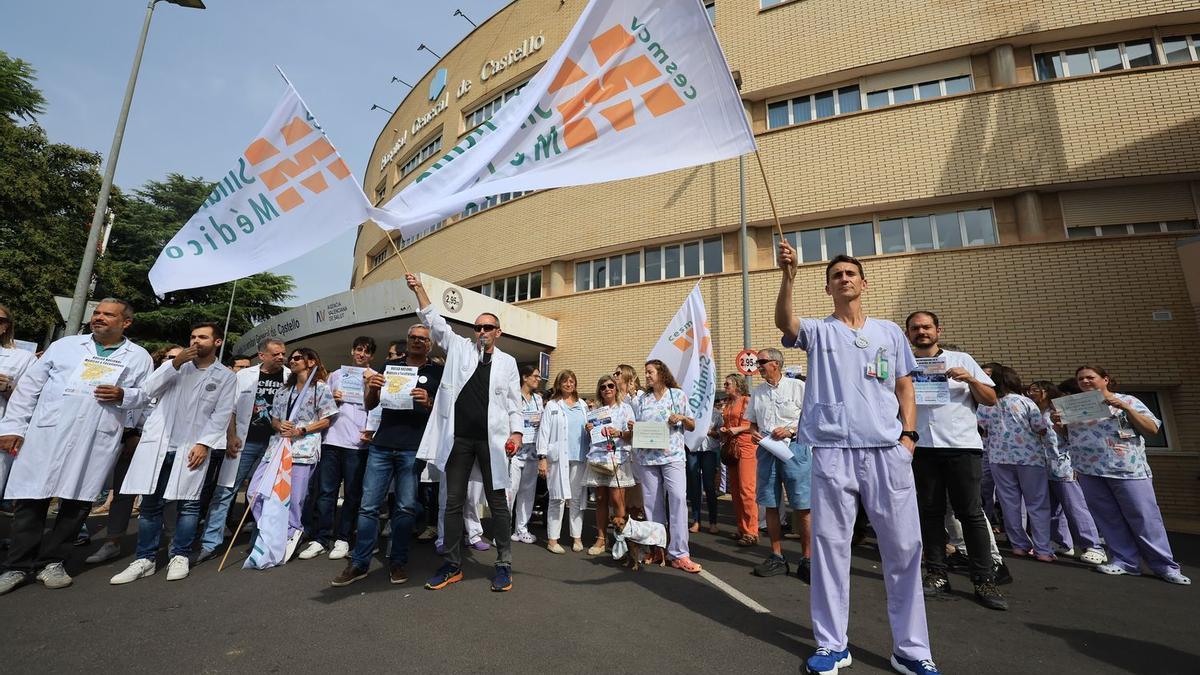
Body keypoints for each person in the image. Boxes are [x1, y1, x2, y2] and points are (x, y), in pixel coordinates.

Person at [775, 246, 940, 675]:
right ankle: (832, 645)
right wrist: (788, 277)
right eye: (836, 275)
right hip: (833, 451)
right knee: (830, 548)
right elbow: (785, 323)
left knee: (904, 549)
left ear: (863, 283)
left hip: (888, 452)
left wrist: (909, 436)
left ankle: (911, 649)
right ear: (828, 286)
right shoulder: (818, 330)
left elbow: (905, 385)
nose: (844, 278)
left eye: (851, 273)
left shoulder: (889, 332)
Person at [0, 299, 152, 595]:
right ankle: (17, 566)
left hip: (95, 438)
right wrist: (13, 427)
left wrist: (124, 395)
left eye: (108, 315)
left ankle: (53, 562)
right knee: (31, 499)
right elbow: (30, 388)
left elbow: (146, 397)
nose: (99, 318)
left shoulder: (138, 357)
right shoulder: (66, 345)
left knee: (77, 501)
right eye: (97, 313)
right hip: (48, 432)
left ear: (126, 323)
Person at [405, 273, 522, 593]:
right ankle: (453, 564)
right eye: (478, 327)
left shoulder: (508, 363)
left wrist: (517, 434)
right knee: (453, 501)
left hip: (492, 441)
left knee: (498, 502)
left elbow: (515, 404)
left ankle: (504, 564)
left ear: (497, 332)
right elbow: (435, 322)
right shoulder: (459, 348)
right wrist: (419, 289)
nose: (481, 331)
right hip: (458, 440)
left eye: (487, 327)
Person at [109, 323, 237, 584]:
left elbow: (221, 414)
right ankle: (144, 559)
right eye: (192, 336)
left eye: (203, 337)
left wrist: (204, 444)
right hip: (159, 445)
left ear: (217, 342)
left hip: (191, 448)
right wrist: (173, 364)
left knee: (189, 504)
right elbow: (147, 391)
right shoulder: (175, 368)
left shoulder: (225, 376)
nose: (196, 341)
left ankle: (180, 554)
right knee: (150, 505)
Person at [903, 311, 1007, 610]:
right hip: (922, 447)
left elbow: (990, 398)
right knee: (930, 512)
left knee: (970, 513)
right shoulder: (904, 364)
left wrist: (971, 378)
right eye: (915, 328)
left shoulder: (961, 359)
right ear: (907, 333)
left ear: (938, 330)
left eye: (926, 327)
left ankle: (984, 578)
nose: (921, 332)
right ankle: (936, 573)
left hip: (961, 446)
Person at [1055, 366, 1189, 584]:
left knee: (1144, 517)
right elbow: (1069, 438)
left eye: (1091, 377)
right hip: (1090, 470)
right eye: (1081, 379)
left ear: (1105, 379)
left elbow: (1152, 429)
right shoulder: (1076, 406)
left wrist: (1127, 409)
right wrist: (1058, 425)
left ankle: (1165, 565)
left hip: (1127, 469)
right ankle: (1124, 561)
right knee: (1107, 517)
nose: (1085, 382)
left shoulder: (1127, 400)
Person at [332, 325, 443, 586]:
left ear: (430, 345)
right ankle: (359, 562)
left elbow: (443, 411)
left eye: (422, 339)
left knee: (404, 507)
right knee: (369, 506)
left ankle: (397, 562)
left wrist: (427, 401)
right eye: (412, 337)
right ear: (407, 341)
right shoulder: (389, 366)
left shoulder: (437, 372)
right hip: (382, 444)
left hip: (413, 447)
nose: (417, 342)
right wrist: (372, 387)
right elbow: (371, 404)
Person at [86, 345, 184, 565]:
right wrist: (130, 433)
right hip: (128, 441)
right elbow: (129, 405)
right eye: (169, 358)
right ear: (161, 359)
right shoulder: (145, 380)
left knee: (165, 497)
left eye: (179, 359)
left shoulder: (183, 385)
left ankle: (171, 542)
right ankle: (112, 541)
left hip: (160, 446)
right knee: (119, 494)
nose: (174, 362)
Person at [196, 338, 288, 562]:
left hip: (274, 445)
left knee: (264, 494)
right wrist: (231, 436)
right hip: (244, 443)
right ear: (262, 355)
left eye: (282, 353)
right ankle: (210, 543)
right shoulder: (243, 376)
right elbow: (230, 409)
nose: (281, 357)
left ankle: (260, 541)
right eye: (275, 354)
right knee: (225, 490)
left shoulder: (289, 377)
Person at [250, 347, 337, 564]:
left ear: (310, 362)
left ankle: (292, 531)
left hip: (304, 449)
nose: (292, 361)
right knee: (255, 492)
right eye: (292, 358)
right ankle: (271, 530)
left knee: (295, 498)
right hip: (277, 447)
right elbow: (274, 419)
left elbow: (328, 419)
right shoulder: (283, 390)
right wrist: (281, 425)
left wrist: (302, 430)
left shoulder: (320, 388)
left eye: (298, 358)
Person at [298, 336, 377, 561]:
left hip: (357, 444)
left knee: (352, 494)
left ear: (371, 355)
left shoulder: (374, 377)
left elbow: (377, 409)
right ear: (352, 351)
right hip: (332, 441)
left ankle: (343, 538)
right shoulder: (336, 376)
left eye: (366, 351)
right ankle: (321, 538)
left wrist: (370, 431)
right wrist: (332, 398)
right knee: (326, 493)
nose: (361, 354)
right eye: (358, 349)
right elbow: (321, 407)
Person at [630, 359, 701, 573]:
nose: (647, 376)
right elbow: (638, 424)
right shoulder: (643, 399)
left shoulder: (676, 395)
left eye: (650, 372)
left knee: (678, 498)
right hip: (647, 458)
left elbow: (692, 425)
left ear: (661, 373)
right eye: (646, 373)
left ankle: (679, 553)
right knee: (652, 504)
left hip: (673, 456)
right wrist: (634, 426)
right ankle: (657, 549)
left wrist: (680, 418)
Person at [978, 366, 1054, 562]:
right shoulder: (1025, 401)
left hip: (998, 458)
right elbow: (1040, 428)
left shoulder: (986, 403)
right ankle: (1043, 549)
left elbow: (982, 430)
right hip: (1029, 458)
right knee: (1037, 503)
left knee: (1009, 503)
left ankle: (1019, 545)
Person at [746, 348, 810, 581]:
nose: (758, 365)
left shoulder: (797, 387)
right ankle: (776, 556)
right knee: (770, 504)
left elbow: (811, 418)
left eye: (762, 361)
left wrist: (790, 429)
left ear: (776, 364)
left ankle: (807, 558)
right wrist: (755, 435)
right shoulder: (758, 392)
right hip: (767, 451)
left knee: (802, 504)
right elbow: (752, 423)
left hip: (795, 449)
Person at [1026, 380, 1105, 565]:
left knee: (1074, 506)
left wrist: (1077, 463)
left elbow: (1075, 437)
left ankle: (1093, 545)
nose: (1031, 393)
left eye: (1035, 390)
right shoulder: (1037, 411)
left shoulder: (1059, 410)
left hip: (1064, 464)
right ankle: (1062, 542)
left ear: (1045, 392)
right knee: (1053, 507)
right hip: (1044, 465)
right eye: (1030, 390)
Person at [537, 370, 590, 554]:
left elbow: (589, 428)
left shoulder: (583, 405)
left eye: (572, 381)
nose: (569, 384)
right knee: (557, 498)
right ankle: (553, 540)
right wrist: (542, 458)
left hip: (579, 458)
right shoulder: (552, 405)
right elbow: (543, 433)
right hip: (558, 459)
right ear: (559, 384)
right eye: (565, 382)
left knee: (577, 499)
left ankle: (577, 538)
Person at [583, 374, 636, 555]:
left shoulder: (626, 409)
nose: (607, 389)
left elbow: (631, 435)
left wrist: (619, 433)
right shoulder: (595, 411)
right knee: (600, 499)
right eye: (603, 386)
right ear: (599, 391)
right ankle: (601, 538)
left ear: (616, 388)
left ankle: (621, 540)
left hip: (618, 458)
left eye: (611, 386)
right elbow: (593, 438)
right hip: (599, 459)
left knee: (617, 499)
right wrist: (589, 430)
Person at [0, 304, 37, 502]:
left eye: (0, 321)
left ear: (6, 327)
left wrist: (6, 389)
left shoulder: (22, 358)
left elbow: (28, 399)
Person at [719, 374, 757, 546]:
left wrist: (735, 429)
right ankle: (742, 527)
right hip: (732, 447)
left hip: (746, 446)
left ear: (737, 385)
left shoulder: (746, 400)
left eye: (728, 383)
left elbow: (753, 425)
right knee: (734, 490)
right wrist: (724, 429)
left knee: (746, 490)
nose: (725, 386)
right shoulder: (728, 403)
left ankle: (752, 531)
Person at [508, 365, 543, 544]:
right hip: (514, 453)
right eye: (535, 376)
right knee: (510, 491)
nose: (538, 379)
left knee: (527, 493)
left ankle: (521, 529)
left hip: (532, 453)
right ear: (525, 377)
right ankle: (503, 529)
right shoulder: (513, 397)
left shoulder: (538, 399)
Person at [686, 394, 721, 536]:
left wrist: (710, 432)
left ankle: (713, 522)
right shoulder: (689, 412)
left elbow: (720, 435)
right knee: (694, 486)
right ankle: (696, 521)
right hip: (693, 450)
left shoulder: (716, 413)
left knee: (709, 486)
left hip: (709, 451)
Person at [613, 364, 645, 518]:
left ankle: (635, 525)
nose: (615, 375)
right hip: (619, 450)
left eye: (618, 373)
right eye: (615, 373)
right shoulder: (615, 395)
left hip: (637, 451)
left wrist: (633, 395)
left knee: (637, 489)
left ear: (627, 375)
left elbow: (643, 417)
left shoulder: (639, 395)